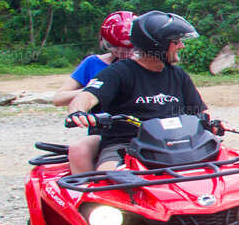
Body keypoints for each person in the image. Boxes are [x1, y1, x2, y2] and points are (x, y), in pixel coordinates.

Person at [65, 11, 211, 171]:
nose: (182, 46)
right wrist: (78, 113)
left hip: (175, 143)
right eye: (176, 41)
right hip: (125, 145)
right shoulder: (117, 72)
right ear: (157, 45)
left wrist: (214, 123)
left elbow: (200, 111)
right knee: (108, 174)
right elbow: (87, 96)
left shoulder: (178, 75)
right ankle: (90, 194)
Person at [54, 11, 135, 174]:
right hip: (107, 131)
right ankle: (88, 191)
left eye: (129, 48)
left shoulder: (145, 65)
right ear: (107, 44)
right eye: (117, 47)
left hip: (142, 127)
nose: (124, 53)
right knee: (79, 150)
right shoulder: (93, 63)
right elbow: (58, 98)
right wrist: (95, 90)